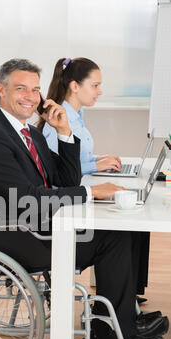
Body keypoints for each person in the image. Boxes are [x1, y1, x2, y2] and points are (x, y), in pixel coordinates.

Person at [0, 58, 168, 339]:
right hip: (18, 235)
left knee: (120, 229)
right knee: (112, 238)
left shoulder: (29, 132)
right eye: (21, 89)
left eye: (35, 90)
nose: (31, 97)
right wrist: (92, 192)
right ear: (1, 90)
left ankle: (115, 325)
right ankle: (116, 332)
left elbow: (64, 180)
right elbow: (27, 199)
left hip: (38, 224)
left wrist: (63, 131)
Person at [39, 57, 150, 298]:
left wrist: (98, 160)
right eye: (95, 85)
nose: (100, 91)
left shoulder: (75, 116)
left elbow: (75, 156)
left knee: (134, 220)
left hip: (76, 189)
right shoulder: (57, 121)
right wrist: (93, 165)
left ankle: (129, 298)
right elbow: (60, 170)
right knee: (125, 224)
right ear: (75, 86)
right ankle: (123, 302)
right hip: (64, 205)